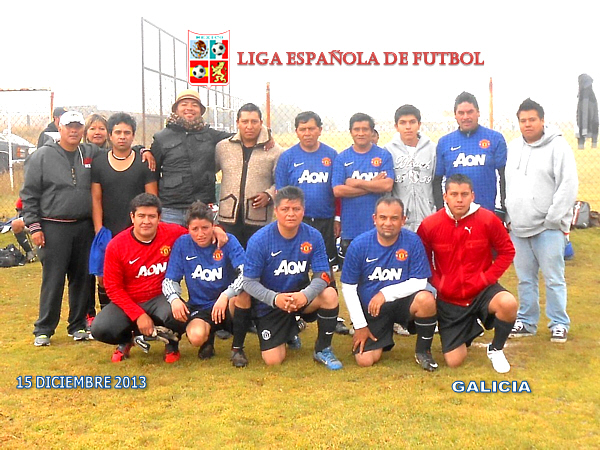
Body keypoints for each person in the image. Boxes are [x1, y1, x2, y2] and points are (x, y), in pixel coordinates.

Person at [417, 174, 517, 373]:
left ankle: (496, 349)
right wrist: (439, 283)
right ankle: (470, 327)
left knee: (508, 303)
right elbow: (422, 260)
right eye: (454, 194)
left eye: (464, 194)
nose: (459, 199)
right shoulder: (430, 224)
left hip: (482, 290)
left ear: (472, 196)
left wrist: (486, 278)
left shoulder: (488, 219)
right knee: (454, 361)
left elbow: (507, 251)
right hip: (450, 298)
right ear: (445, 196)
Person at [21, 111, 99, 346]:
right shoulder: (42, 156)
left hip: (83, 226)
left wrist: (143, 151)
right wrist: (35, 227)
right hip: (53, 227)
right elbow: (29, 194)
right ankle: (44, 329)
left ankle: (77, 325)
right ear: (60, 128)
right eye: (69, 126)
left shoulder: (90, 153)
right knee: (53, 280)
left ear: (83, 130)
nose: (74, 130)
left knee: (82, 279)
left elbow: (118, 152)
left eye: (78, 126)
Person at [243, 186, 343, 370]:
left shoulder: (313, 236)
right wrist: (275, 298)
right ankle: (290, 330)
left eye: (296, 209)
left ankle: (323, 349)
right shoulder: (259, 240)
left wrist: (305, 295)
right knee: (273, 360)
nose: (291, 214)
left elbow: (323, 274)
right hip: (271, 303)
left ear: (303, 211)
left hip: (300, 296)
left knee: (329, 294)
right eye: (285, 209)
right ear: (276, 211)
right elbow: (249, 282)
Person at [505, 98, 578, 343]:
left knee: (554, 279)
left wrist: (553, 219)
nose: (527, 124)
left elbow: (568, 185)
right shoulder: (514, 147)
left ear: (542, 120)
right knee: (525, 280)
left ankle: (559, 323)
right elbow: (508, 183)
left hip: (548, 228)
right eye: (523, 120)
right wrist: (510, 216)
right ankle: (526, 322)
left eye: (532, 120)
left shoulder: (558, 147)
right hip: (519, 227)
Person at [341, 196, 438, 370]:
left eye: (394, 218)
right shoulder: (359, 245)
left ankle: (423, 351)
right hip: (373, 308)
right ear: (374, 219)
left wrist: (385, 294)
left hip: (402, 303)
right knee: (365, 360)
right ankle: (381, 336)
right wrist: (360, 325)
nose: (388, 223)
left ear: (403, 220)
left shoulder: (412, 241)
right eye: (383, 217)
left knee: (426, 299)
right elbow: (348, 288)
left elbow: (420, 281)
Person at [274, 111, 349, 335]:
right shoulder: (287, 157)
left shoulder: (331, 155)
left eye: (311, 128)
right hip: (297, 223)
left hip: (325, 221)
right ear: (296, 131)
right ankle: (292, 314)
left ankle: (332, 313)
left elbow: (337, 191)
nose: (307, 133)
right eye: (302, 129)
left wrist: (337, 218)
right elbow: (281, 194)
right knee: (293, 266)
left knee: (326, 267)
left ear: (320, 130)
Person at [90, 193, 188, 363]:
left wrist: (217, 230)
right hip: (129, 299)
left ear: (159, 217)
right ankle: (127, 339)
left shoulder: (173, 233)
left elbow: (198, 233)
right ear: (132, 217)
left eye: (151, 216)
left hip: (160, 297)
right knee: (100, 329)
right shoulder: (116, 245)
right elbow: (112, 287)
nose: (146, 221)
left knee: (180, 315)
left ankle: (172, 343)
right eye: (141, 216)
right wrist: (138, 315)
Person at [162, 201, 252, 367]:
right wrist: (174, 298)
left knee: (244, 294)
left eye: (205, 228)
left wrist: (226, 295)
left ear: (213, 226)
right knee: (196, 337)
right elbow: (170, 280)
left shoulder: (227, 241)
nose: (200, 234)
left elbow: (246, 273)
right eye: (195, 229)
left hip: (226, 303)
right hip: (200, 307)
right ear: (188, 229)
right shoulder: (182, 244)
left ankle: (237, 349)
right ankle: (207, 340)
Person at [90, 113, 158, 310]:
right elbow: (96, 199)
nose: (122, 136)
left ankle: (137, 315)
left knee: (136, 275)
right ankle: (107, 314)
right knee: (105, 277)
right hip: (108, 229)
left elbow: (152, 199)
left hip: (136, 230)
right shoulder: (99, 163)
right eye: (118, 132)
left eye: (127, 133)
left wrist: (147, 228)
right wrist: (98, 229)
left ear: (133, 135)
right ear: (110, 135)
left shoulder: (144, 162)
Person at [149, 89, 233, 226]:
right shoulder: (161, 137)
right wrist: (140, 149)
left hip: (202, 208)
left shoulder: (211, 135)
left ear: (200, 110)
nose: (189, 108)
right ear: (176, 109)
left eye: (194, 105)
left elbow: (240, 137)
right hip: (170, 211)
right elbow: (152, 174)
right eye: (184, 104)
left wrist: (265, 136)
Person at [215, 103, 283, 248]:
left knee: (257, 257)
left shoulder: (275, 151)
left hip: (259, 217)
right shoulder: (222, 147)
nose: (249, 126)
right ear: (238, 123)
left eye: (254, 121)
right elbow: (209, 172)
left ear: (261, 123)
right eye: (245, 121)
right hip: (227, 218)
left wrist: (269, 195)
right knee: (230, 257)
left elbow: (282, 181)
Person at [433, 92, 508, 220]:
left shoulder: (495, 138)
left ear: (478, 113)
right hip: (455, 216)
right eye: (461, 113)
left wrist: (502, 209)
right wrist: (441, 210)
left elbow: (504, 176)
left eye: (470, 112)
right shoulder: (445, 142)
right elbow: (437, 181)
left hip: (487, 214)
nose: (466, 117)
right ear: (455, 115)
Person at [332, 112, 393, 262]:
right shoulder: (342, 158)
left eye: (365, 129)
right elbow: (338, 190)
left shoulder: (384, 155)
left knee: (378, 270)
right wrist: (373, 184)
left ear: (372, 132)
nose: (361, 133)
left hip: (378, 226)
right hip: (351, 227)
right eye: (356, 129)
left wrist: (356, 182)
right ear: (350, 132)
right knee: (352, 271)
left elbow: (387, 185)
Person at [384, 104, 437, 232]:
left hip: (428, 215)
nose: (408, 127)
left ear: (419, 124)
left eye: (412, 122)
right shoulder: (388, 151)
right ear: (396, 126)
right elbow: (387, 190)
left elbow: (437, 181)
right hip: (401, 219)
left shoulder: (432, 149)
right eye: (403, 123)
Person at [576, 74, 599, 149]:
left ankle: (582, 146)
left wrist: (584, 128)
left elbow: (584, 111)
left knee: (581, 137)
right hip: (593, 123)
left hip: (584, 123)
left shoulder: (584, 94)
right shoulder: (592, 95)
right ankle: (593, 145)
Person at [10, 198, 36, 262]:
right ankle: (29, 252)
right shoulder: (29, 194)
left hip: (47, 220)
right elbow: (19, 206)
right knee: (15, 224)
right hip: (31, 219)